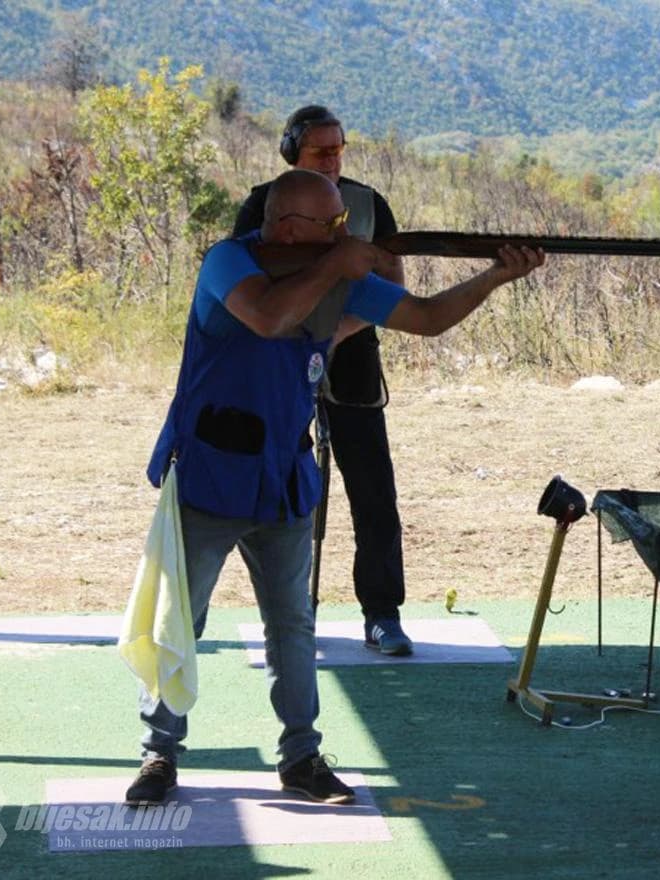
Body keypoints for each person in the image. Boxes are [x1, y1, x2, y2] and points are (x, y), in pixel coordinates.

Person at [127, 168, 544, 807]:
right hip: (213, 468)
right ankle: (159, 755)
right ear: (288, 228)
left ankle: (301, 758)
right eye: (332, 225)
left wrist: (493, 276)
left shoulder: (334, 275)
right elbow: (267, 317)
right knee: (179, 619)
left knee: (292, 624)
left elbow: (428, 319)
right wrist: (340, 266)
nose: (344, 235)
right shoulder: (228, 262)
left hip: (286, 474)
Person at [234, 105, 415, 657]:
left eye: (338, 149)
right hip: (281, 357)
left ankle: (382, 612)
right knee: (283, 484)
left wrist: (337, 331)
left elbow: (395, 289)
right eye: (321, 151)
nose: (333, 160)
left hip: (351, 352)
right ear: (293, 154)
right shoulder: (264, 203)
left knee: (372, 488)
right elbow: (247, 282)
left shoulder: (368, 203)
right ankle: (290, 611)